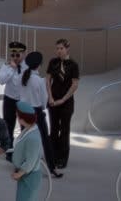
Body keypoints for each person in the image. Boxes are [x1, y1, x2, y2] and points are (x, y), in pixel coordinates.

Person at [17, 51, 61, 177]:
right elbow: (43, 100)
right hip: (36, 112)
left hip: (23, 110)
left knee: (24, 139)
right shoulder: (39, 81)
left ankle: (21, 166)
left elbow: (18, 93)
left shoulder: (22, 77)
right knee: (45, 140)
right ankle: (52, 168)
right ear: (39, 65)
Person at [46, 38, 80, 170]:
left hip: (66, 103)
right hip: (53, 101)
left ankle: (62, 158)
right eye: (57, 48)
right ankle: (53, 156)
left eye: (61, 48)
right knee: (54, 129)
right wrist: (50, 97)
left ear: (67, 49)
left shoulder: (73, 65)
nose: (59, 51)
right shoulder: (53, 62)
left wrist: (63, 99)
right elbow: (48, 80)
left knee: (64, 131)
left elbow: (75, 84)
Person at [0, 41, 27, 150]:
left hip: (23, 100)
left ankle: (23, 149)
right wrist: (11, 69)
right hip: (9, 99)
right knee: (8, 125)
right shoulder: (6, 66)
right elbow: (1, 81)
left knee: (24, 127)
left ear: (24, 54)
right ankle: (8, 149)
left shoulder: (27, 67)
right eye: (12, 55)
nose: (15, 57)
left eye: (18, 55)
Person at [11, 101, 42, 201]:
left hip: (29, 178)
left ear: (22, 117)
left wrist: (18, 174)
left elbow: (30, 161)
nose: (15, 114)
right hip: (26, 176)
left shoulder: (32, 137)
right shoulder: (29, 129)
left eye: (17, 113)